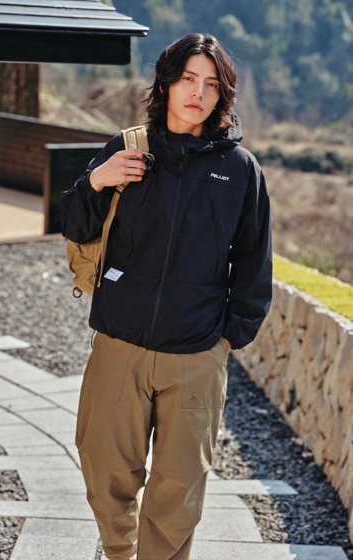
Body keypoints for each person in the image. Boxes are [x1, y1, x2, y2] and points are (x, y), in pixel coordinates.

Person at [60, 32, 272, 560]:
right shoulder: (128, 149)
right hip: (120, 344)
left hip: (196, 354)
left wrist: (228, 338)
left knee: (178, 492)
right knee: (104, 470)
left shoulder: (240, 171)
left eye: (211, 84)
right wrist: (97, 181)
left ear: (222, 95)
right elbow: (75, 225)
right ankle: (119, 552)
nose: (198, 92)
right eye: (187, 79)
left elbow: (254, 261)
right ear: (166, 84)